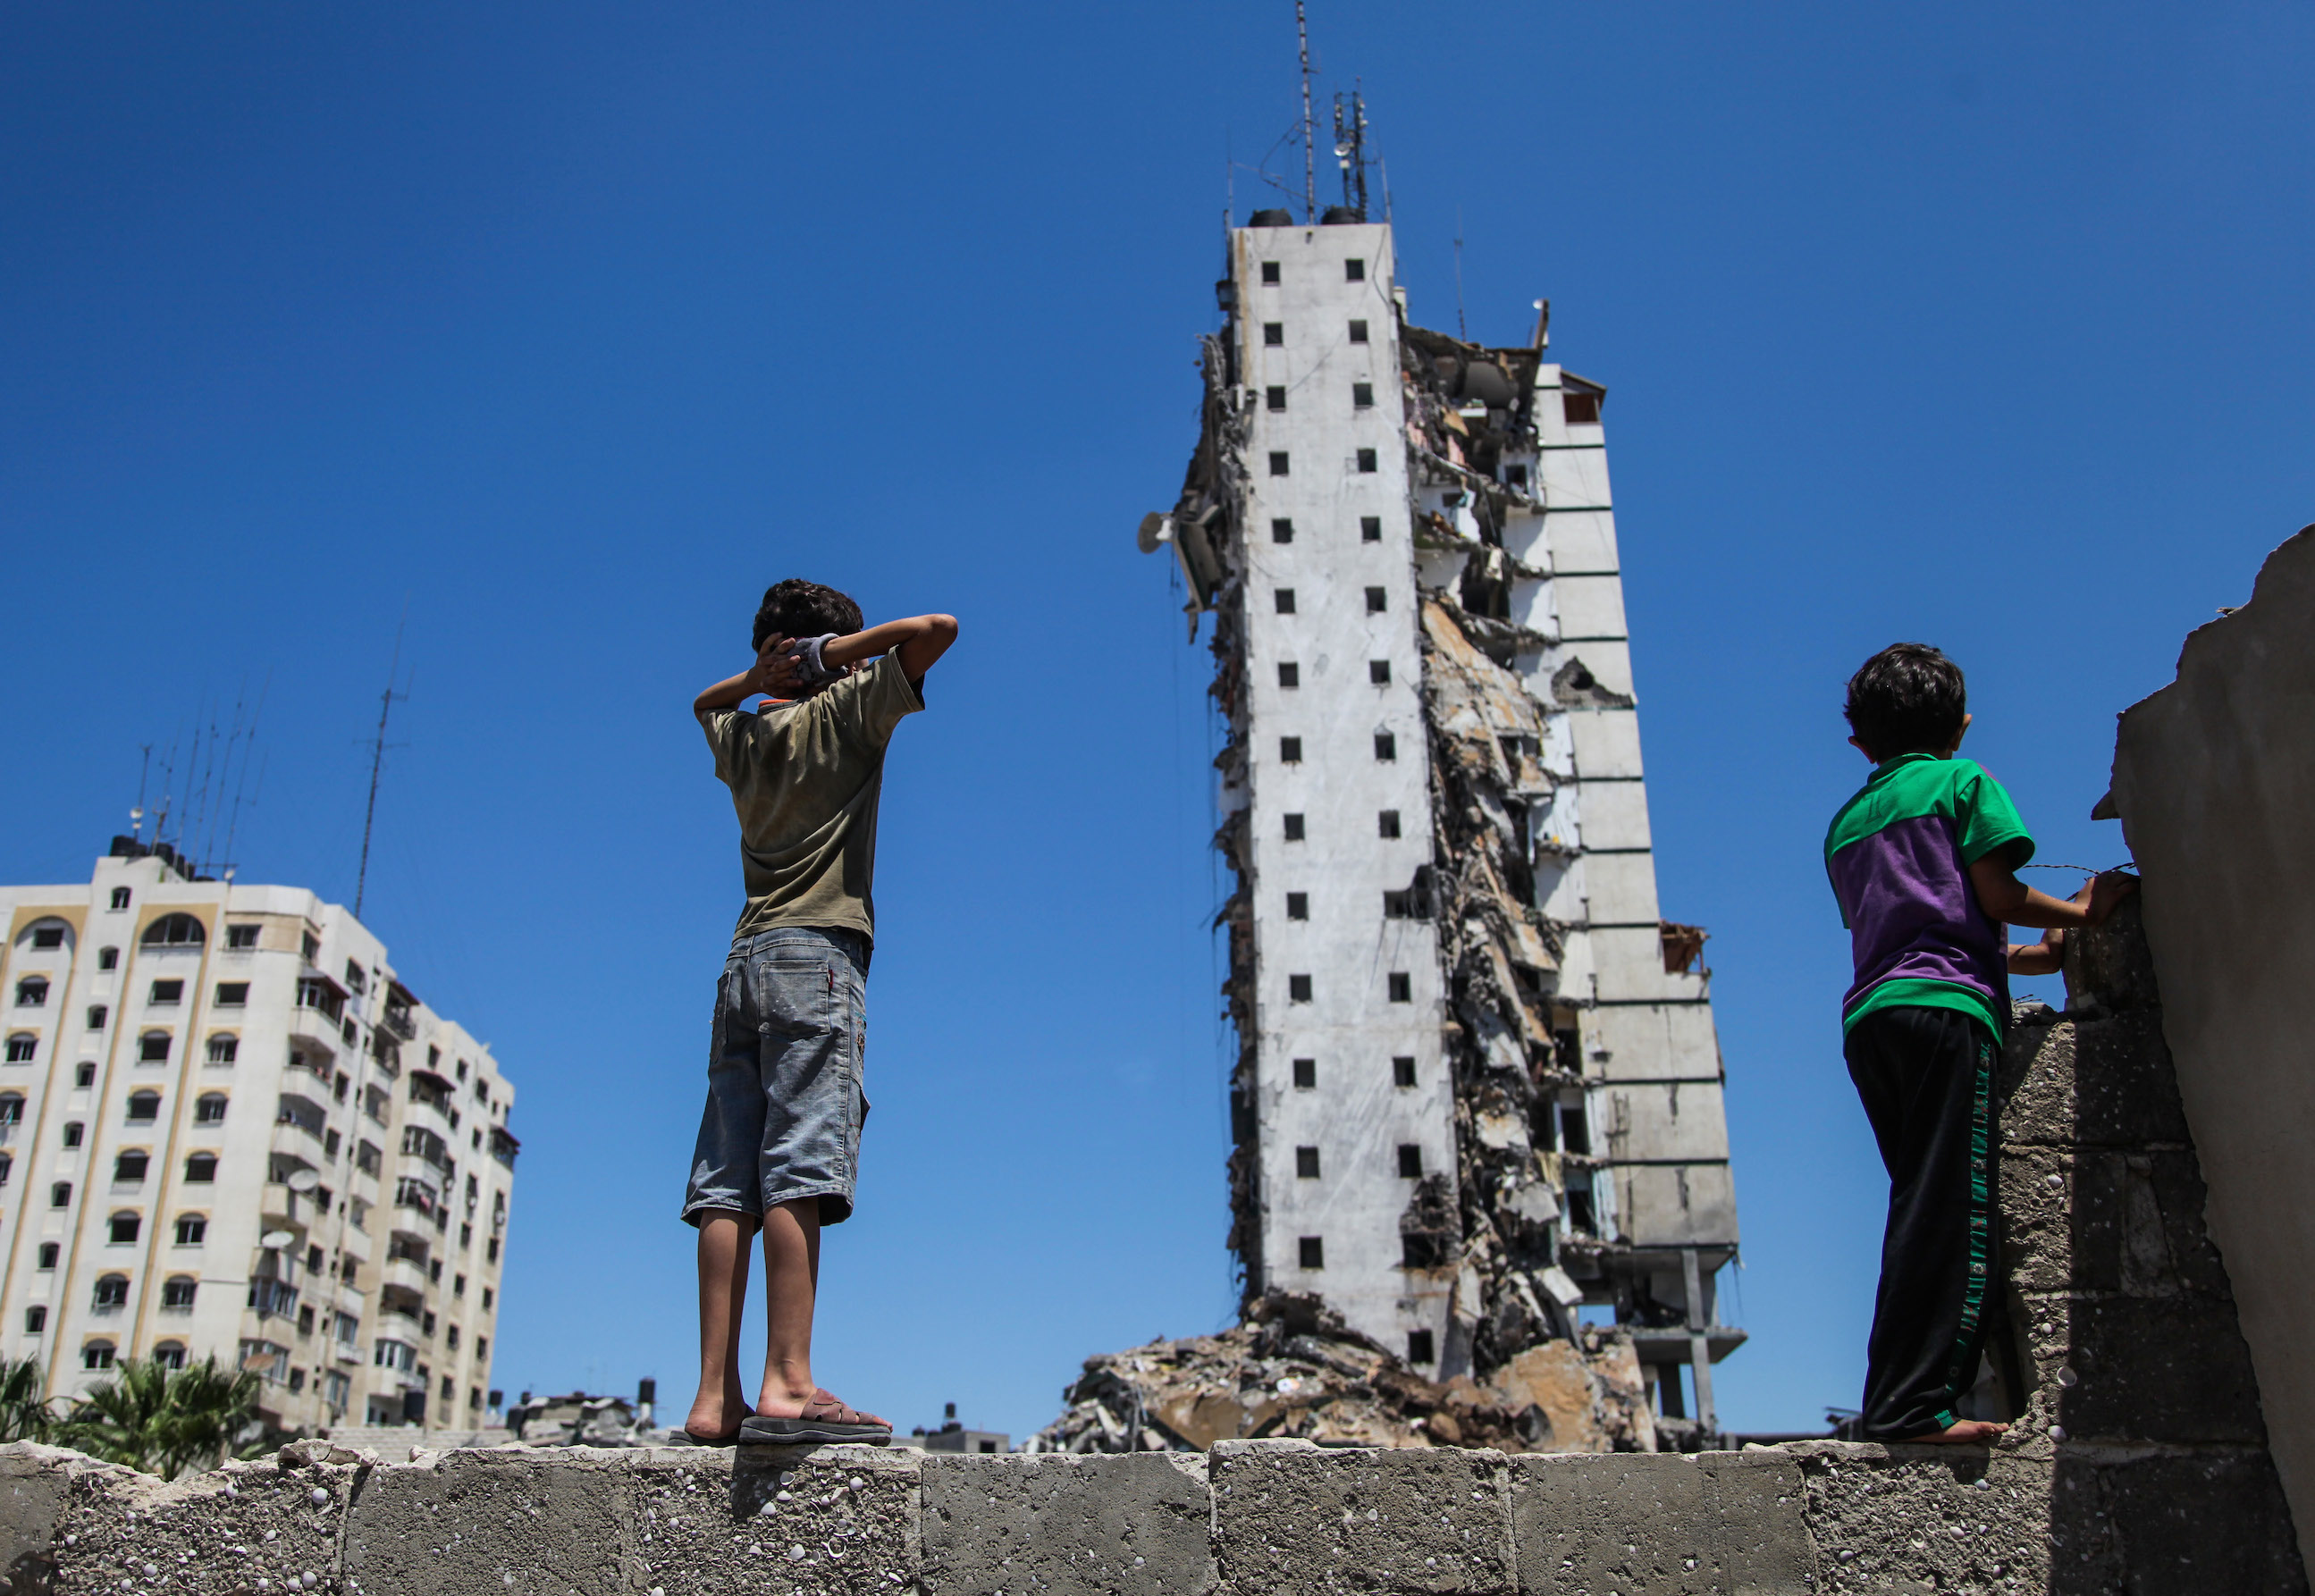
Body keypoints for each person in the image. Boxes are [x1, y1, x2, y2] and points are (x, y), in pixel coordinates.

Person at [1825, 643, 2134, 1444]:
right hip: (1944, 1014)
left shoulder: (1847, 825)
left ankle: (1901, 1398)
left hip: (1874, 1019)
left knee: (1920, 1200)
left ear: (1860, 742)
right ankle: (1915, 1406)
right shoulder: (1966, 783)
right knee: (1951, 1208)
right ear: (1961, 723)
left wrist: (2038, 955)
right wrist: (2086, 914)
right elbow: (1995, 896)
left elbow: (1922, 928)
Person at [680, 578, 957, 1446]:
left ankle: (713, 1395)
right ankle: (790, 1382)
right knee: (800, 1165)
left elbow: (702, 700)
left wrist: (766, 669)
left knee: (727, 1183)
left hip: (744, 961)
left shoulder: (745, 729)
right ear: (826, 657)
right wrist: (826, 662)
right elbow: (935, 628)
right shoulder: (845, 712)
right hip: (818, 959)